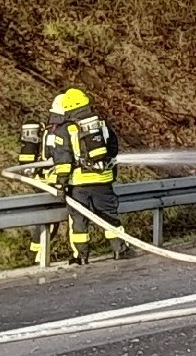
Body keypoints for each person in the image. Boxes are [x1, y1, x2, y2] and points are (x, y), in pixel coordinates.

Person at [47, 88, 129, 263]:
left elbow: (63, 160)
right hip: (103, 180)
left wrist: (61, 184)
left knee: (79, 221)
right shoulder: (101, 124)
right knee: (109, 216)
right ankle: (119, 250)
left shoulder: (66, 129)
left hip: (79, 184)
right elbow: (113, 148)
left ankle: (81, 257)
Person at [18, 118, 59, 263]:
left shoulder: (45, 134)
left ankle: (35, 254)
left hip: (40, 181)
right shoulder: (53, 134)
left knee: (48, 220)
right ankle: (36, 255)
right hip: (48, 183)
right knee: (51, 220)